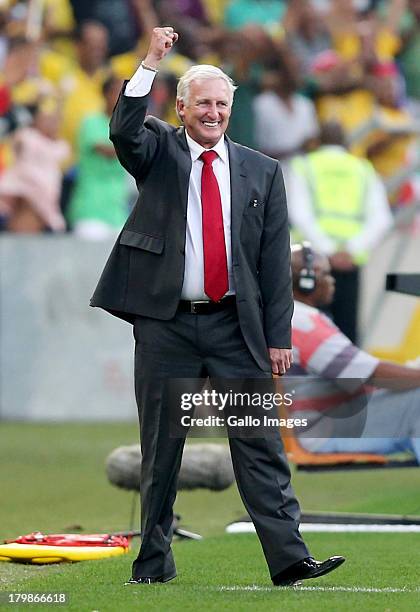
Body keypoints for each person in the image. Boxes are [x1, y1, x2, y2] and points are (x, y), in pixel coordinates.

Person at [90, 26, 345, 587]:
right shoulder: (157, 150)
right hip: (168, 327)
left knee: (260, 447)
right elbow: (124, 128)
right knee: (162, 450)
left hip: (237, 328)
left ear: (232, 109)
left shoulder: (264, 170)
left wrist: (279, 336)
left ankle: (289, 560)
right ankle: (153, 565)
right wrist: (152, 61)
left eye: (221, 104)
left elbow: (274, 264)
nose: (212, 112)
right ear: (180, 108)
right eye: (201, 103)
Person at [289, 243, 420, 460]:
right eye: (327, 274)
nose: (333, 281)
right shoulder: (304, 323)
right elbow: (370, 375)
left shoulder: (288, 318)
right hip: (323, 431)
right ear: (306, 281)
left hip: (319, 423)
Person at [287, 121, 393, 343]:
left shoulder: (304, 166)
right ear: (346, 143)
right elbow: (381, 218)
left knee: (310, 329)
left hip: (311, 263)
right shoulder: (362, 168)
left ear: (317, 142)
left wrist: (328, 252)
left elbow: (299, 213)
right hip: (350, 262)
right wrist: (351, 250)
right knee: (347, 332)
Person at [67, 75, 131, 239]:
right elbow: (107, 152)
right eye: (117, 92)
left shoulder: (128, 127)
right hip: (90, 211)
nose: (121, 98)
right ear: (105, 94)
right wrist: (135, 145)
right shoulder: (91, 122)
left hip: (118, 212)